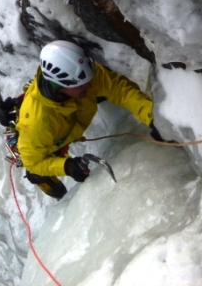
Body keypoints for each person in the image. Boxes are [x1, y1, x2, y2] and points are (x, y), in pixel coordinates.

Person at [15, 40, 160, 200]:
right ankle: (60, 198)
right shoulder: (37, 123)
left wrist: (152, 116)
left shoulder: (80, 74)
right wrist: (66, 166)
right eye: (81, 85)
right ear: (61, 86)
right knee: (37, 174)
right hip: (46, 143)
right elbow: (34, 163)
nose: (90, 86)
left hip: (64, 128)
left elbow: (118, 89)